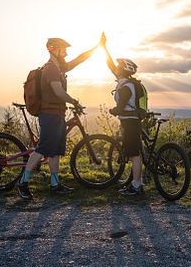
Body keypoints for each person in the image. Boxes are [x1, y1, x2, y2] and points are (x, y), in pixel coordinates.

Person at [16, 35, 103, 200]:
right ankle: (23, 182)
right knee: (42, 149)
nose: (66, 53)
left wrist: (97, 47)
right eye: (63, 50)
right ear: (54, 49)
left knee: (55, 151)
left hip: (57, 114)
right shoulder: (51, 69)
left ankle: (55, 184)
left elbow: (78, 60)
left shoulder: (60, 68)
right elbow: (58, 91)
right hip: (49, 114)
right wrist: (73, 101)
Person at [102, 34, 145, 196]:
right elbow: (109, 64)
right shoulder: (125, 81)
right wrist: (104, 47)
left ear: (124, 70)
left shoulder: (126, 87)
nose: (116, 68)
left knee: (134, 155)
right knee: (134, 153)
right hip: (130, 122)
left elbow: (120, 108)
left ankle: (136, 186)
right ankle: (136, 182)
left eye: (119, 67)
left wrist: (113, 111)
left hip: (130, 122)